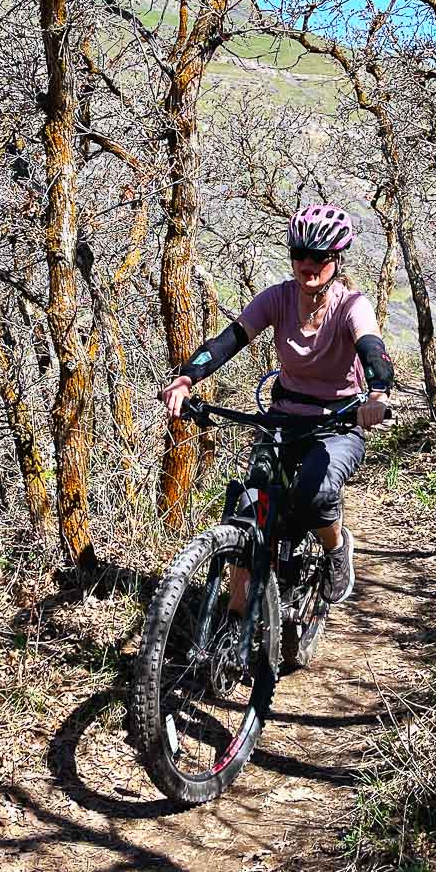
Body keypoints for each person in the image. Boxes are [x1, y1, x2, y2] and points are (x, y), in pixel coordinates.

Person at [159, 203, 395, 608]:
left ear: (335, 260)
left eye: (319, 256)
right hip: (283, 419)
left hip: (339, 423)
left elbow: (372, 348)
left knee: (316, 493)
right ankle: (236, 620)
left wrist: (377, 394)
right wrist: (186, 378)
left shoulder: (351, 305)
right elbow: (228, 340)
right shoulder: (278, 299)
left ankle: (336, 547)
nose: (308, 264)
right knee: (252, 506)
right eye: (299, 255)